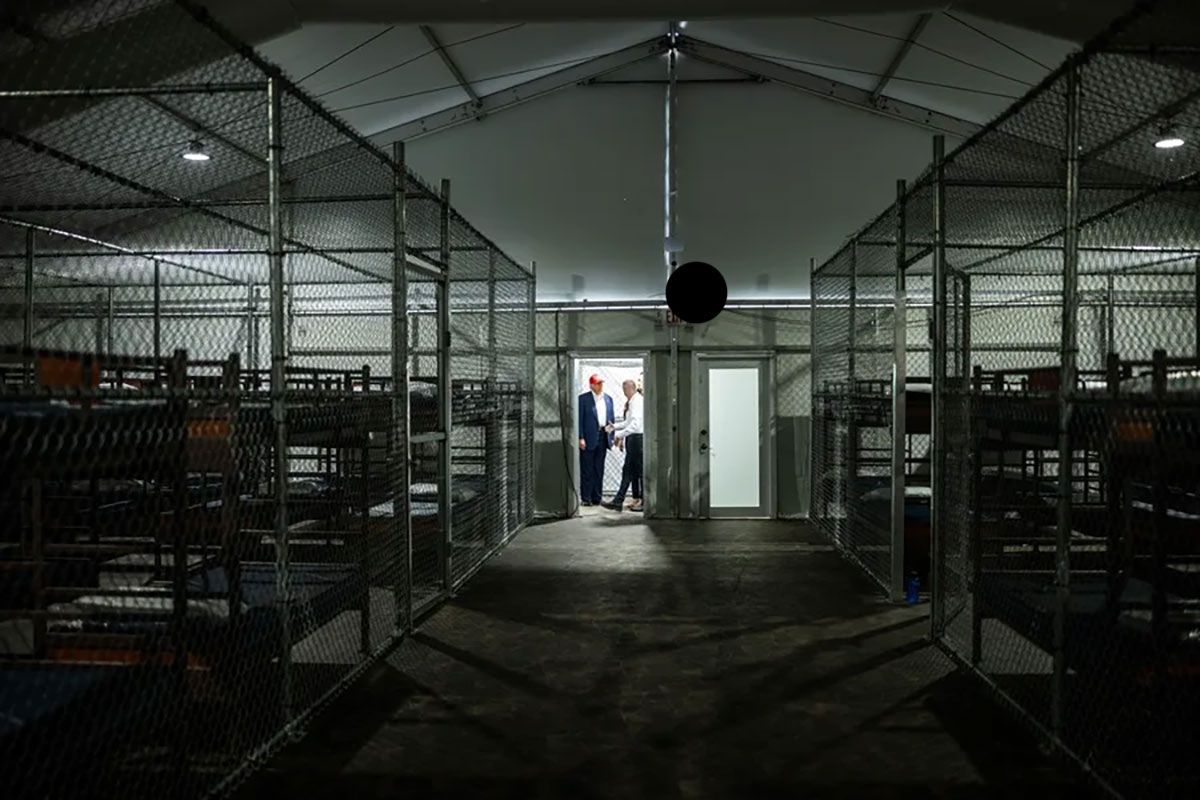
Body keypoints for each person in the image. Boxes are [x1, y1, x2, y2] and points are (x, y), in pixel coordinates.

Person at [601, 379, 644, 513]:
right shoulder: (634, 401)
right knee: (629, 471)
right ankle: (618, 501)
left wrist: (619, 435)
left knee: (639, 472)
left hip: (636, 440)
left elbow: (635, 425)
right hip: (635, 439)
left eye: (624, 389)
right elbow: (628, 422)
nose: (624, 392)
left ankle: (641, 502)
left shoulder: (636, 402)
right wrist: (615, 427)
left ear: (629, 389)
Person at [577, 374, 615, 506]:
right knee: (587, 468)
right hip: (588, 438)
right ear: (591, 385)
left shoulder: (608, 399)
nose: (600, 386)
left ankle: (596, 497)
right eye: (597, 383)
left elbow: (611, 419)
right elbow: (579, 420)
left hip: (603, 437)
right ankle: (586, 498)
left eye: (601, 383)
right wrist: (580, 437)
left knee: (599, 468)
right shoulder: (583, 399)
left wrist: (612, 436)